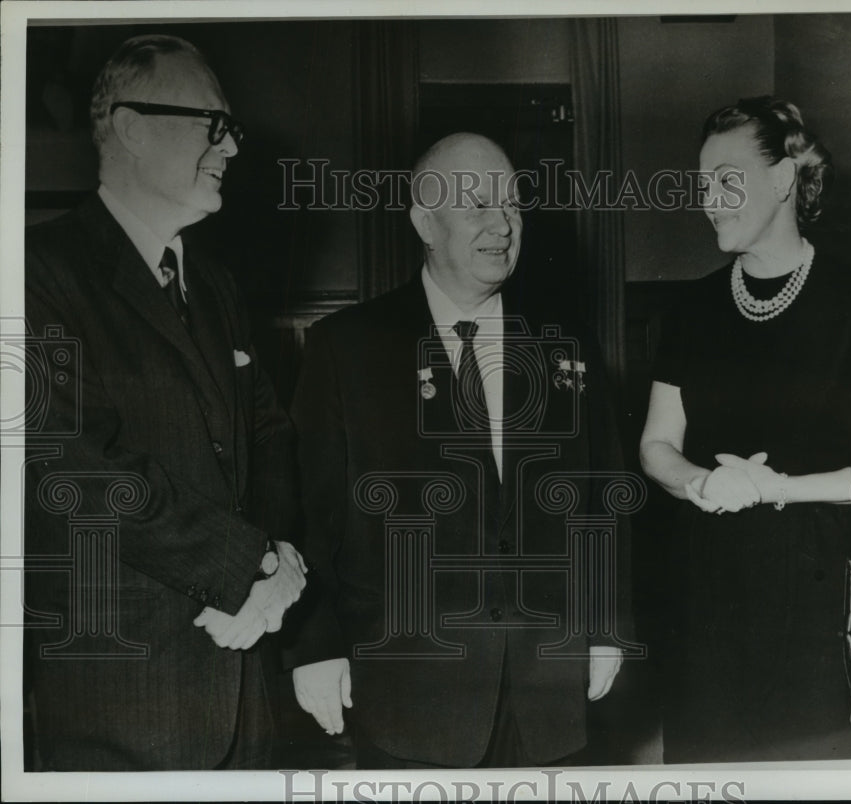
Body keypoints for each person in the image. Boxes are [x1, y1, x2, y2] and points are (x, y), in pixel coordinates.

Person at [288, 133, 635, 768]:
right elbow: (313, 513)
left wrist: (609, 627)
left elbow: (603, 500)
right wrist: (315, 643)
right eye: (477, 204)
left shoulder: (566, 347)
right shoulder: (347, 348)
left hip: (549, 691)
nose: (502, 224)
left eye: (512, 204)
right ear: (425, 219)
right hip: (410, 694)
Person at [23, 34, 305, 770]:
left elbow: (270, 432)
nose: (232, 148)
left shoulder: (213, 285)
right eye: (214, 124)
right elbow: (76, 469)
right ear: (130, 128)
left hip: (246, 694)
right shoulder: (35, 275)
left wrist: (278, 562)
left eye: (232, 129)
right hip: (123, 706)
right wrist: (249, 566)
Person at [639, 96, 851, 761]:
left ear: (781, 179)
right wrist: (703, 481)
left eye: (726, 179)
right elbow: (656, 444)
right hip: (707, 585)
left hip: (823, 585)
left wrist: (776, 488)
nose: (708, 198)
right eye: (703, 182)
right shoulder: (691, 311)